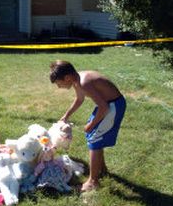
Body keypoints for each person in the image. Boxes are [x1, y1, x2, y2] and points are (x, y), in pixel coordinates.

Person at [49, 60, 126, 192]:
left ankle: (93, 182)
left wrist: (91, 124)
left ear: (67, 77)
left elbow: (104, 107)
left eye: (59, 83)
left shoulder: (84, 82)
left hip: (113, 106)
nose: (59, 87)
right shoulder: (77, 80)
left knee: (94, 140)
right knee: (93, 137)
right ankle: (102, 170)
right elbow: (79, 99)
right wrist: (66, 115)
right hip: (107, 105)